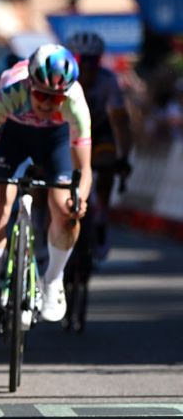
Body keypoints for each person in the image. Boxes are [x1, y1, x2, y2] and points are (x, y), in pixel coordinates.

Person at [0, 45, 92, 329]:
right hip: (13, 137)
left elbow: (84, 168)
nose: (48, 104)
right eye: (41, 95)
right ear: (29, 84)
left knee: (65, 210)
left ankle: (53, 279)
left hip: (55, 141)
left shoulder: (75, 102)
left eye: (56, 98)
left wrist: (79, 197)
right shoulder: (9, 93)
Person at [66, 31, 131, 258]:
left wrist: (124, 157)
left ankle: (101, 215)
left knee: (106, 164)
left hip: (98, 132)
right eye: (81, 61)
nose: (87, 68)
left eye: (93, 61)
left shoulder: (107, 80)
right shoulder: (64, 79)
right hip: (68, 132)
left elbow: (121, 121)